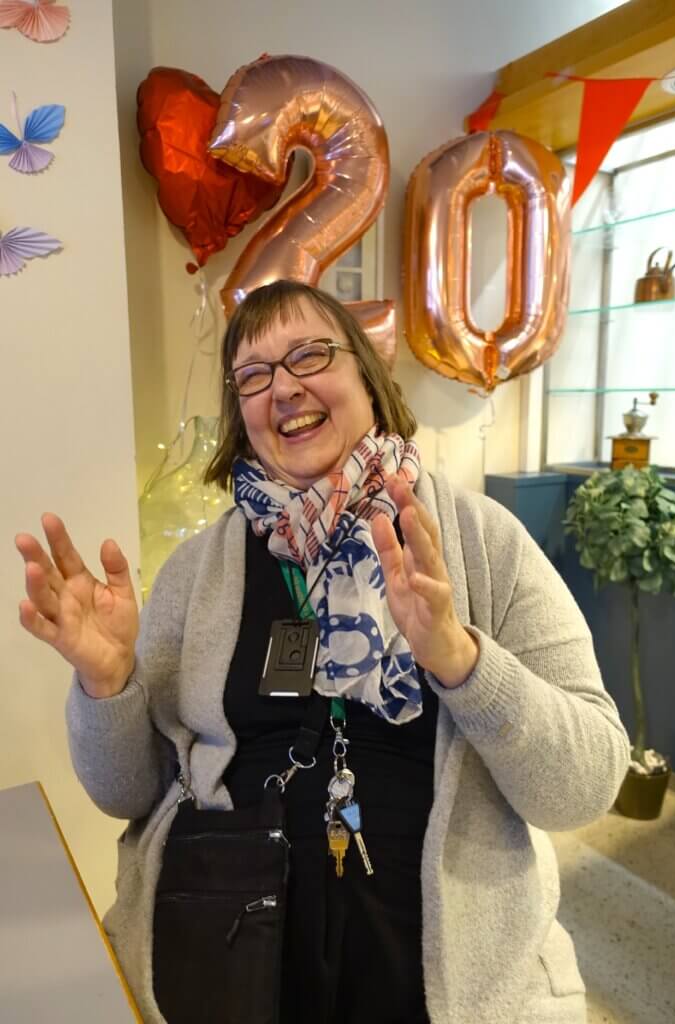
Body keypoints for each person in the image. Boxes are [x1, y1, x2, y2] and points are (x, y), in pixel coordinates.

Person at [15, 279, 630, 1024]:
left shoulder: (484, 543)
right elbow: (130, 794)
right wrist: (108, 685)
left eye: (309, 355)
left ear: (366, 379)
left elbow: (584, 786)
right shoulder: (196, 573)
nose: (284, 387)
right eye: (253, 375)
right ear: (240, 416)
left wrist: (464, 661)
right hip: (224, 958)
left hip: (439, 976)